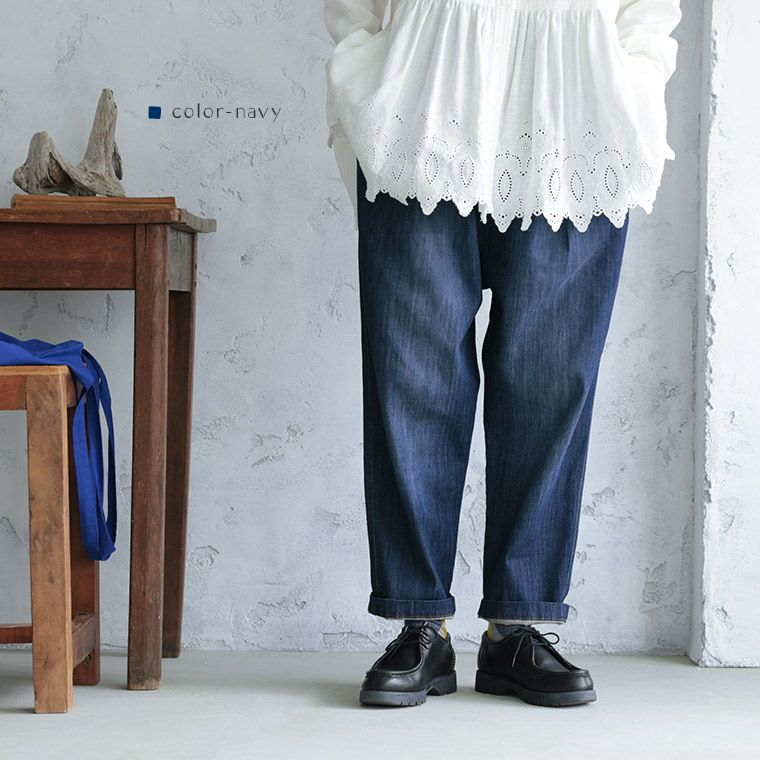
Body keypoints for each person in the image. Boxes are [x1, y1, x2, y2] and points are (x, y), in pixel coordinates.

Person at [323, 0, 681, 708]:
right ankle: (419, 623)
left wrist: (631, 80)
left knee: (549, 381)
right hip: (424, 102)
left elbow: (650, 13)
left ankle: (517, 626)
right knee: (410, 373)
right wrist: (370, 73)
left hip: (577, 115)